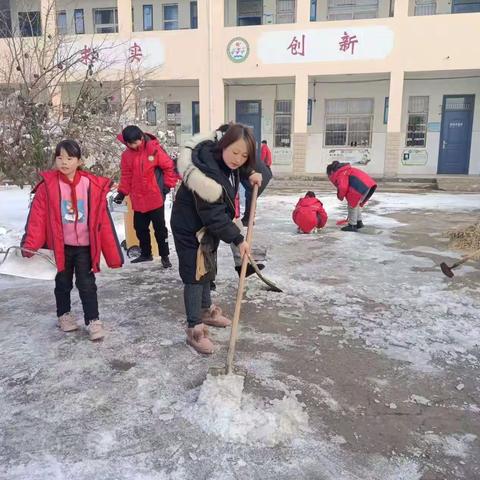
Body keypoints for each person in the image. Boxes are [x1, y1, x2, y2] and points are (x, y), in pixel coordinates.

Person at [171, 123, 262, 354]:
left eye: (244, 155)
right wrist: (238, 239)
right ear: (224, 145)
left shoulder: (226, 162)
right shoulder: (205, 176)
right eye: (235, 152)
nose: (238, 159)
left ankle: (204, 309)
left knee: (207, 267)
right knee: (194, 273)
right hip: (190, 227)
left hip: (205, 227)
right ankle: (194, 328)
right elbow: (213, 215)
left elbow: (237, 168)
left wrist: (251, 173)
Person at [22, 140, 124, 340]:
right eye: (59, 157)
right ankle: (64, 315)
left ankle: (93, 320)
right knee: (62, 283)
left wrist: (113, 256)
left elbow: (102, 222)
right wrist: (30, 246)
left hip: (85, 247)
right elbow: (37, 219)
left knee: (87, 283)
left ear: (79, 161)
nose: (64, 162)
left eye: (69, 158)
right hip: (60, 246)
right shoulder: (48, 187)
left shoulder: (91, 185)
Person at [114, 125, 178, 267]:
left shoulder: (154, 150)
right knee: (140, 228)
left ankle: (165, 256)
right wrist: (122, 192)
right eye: (129, 144)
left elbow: (169, 167)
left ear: (141, 138)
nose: (132, 146)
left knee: (160, 229)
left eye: (135, 143)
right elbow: (126, 175)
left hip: (155, 197)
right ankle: (146, 253)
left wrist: (167, 186)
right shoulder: (126, 155)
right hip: (138, 199)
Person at [326, 161, 377, 232]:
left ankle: (352, 225)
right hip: (367, 185)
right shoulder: (345, 170)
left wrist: (340, 196)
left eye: (328, 175)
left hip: (360, 186)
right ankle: (359, 222)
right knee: (356, 204)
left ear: (331, 172)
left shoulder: (341, 173)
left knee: (352, 205)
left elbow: (343, 187)